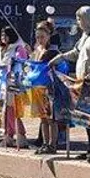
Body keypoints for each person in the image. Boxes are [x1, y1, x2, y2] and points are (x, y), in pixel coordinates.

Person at [51, 8, 90, 161]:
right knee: (86, 115)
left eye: (80, 19)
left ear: (89, 19)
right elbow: (76, 52)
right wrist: (61, 57)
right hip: (82, 81)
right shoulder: (85, 35)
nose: (78, 22)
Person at [0, 26, 29, 149]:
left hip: (12, 84)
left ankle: (20, 136)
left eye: (5, 35)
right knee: (3, 111)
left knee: (14, 111)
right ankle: (7, 136)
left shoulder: (18, 48)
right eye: (1, 35)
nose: (3, 38)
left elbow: (21, 64)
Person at [30, 20, 59, 155]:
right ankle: (45, 143)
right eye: (37, 37)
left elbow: (42, 67)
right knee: (42, 117)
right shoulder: (37, 50)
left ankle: (52, 144)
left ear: (48, 36)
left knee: (51, 118)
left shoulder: (52, 51)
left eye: (42, 37)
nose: (39, 40)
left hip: (50, 87)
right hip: (38, 88)